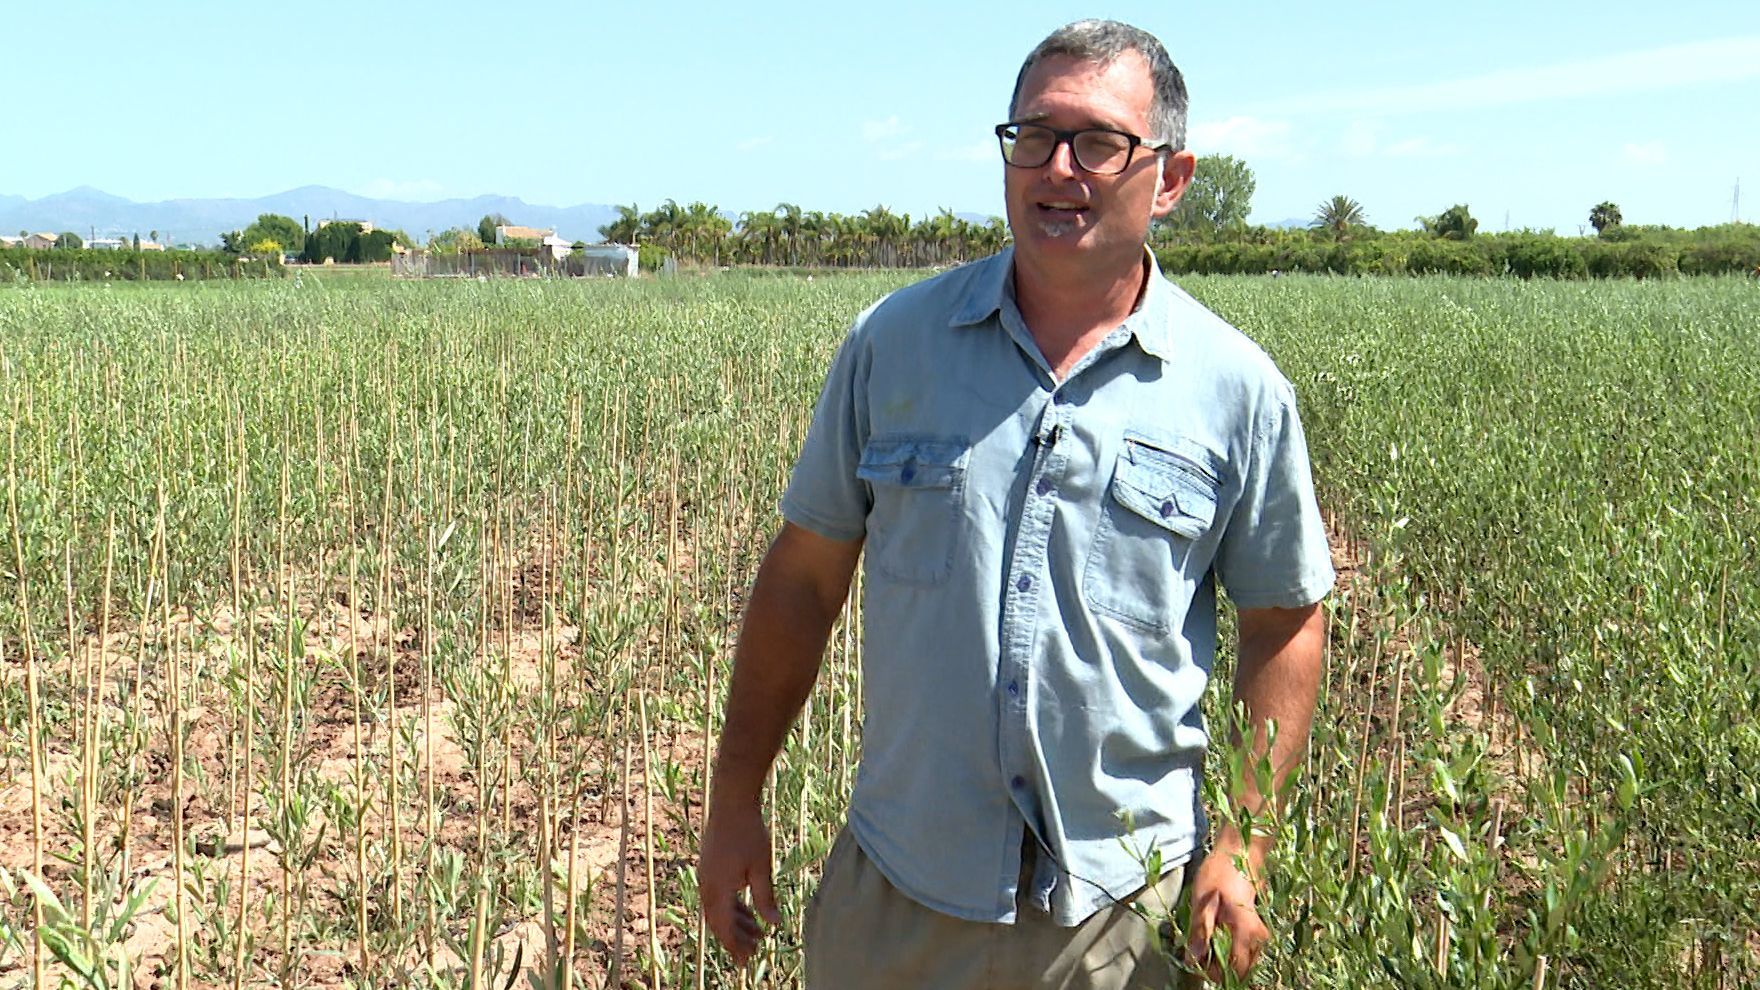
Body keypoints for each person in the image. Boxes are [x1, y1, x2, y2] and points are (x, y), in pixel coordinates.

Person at [699, 18, 1333, 988]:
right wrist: (734, 797)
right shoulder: (892, 345)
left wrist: (1241, 846)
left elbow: (1283, 624)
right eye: (1032, 136)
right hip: (898, 898)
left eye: (1097, 142)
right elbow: (800, 581)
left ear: (1168, 179)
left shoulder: (1235, 391)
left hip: (1116, 919)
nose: (1057, 168)